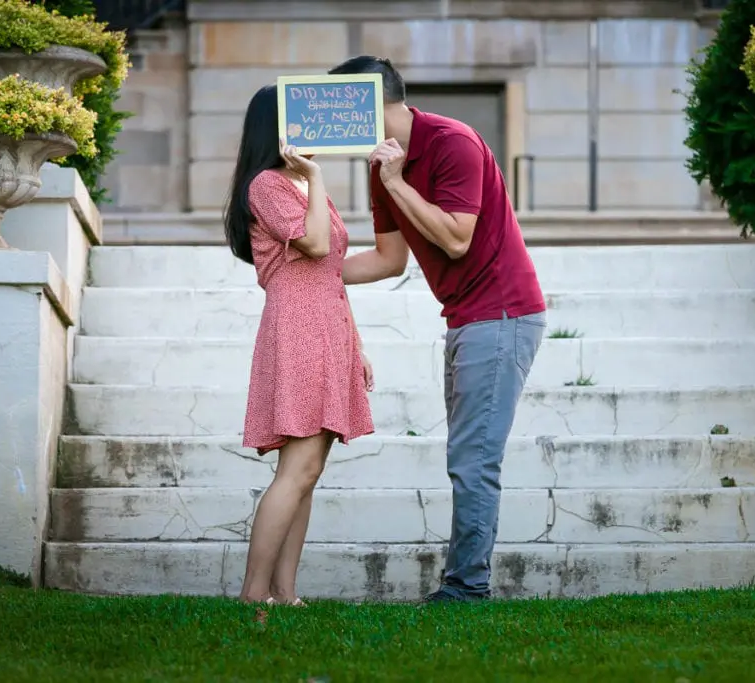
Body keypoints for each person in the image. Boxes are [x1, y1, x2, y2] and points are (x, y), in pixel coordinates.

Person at [329, 56, 547, 603]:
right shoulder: (381, 167)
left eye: (339, 105)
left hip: (502, 313)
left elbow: (455, 239)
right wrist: (307, 272)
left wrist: (396, 182)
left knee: (473, 459)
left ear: (368, 102)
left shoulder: (453, 141)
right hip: (467, 316)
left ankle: (466, 588)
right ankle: (464, 583)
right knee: (467, 455)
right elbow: (387, 259)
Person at [222, 84, 375, 605]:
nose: (311, 128)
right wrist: (314, 174)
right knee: (298, 469)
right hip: (298, 326)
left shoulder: (305, 186)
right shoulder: (268, 184)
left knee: (308, 474)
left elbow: (329, 270)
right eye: (298, 118)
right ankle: (252, 593)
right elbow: (312, 245)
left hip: (327, 324)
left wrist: (355, 344)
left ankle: (284, 593)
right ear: (277, 126)